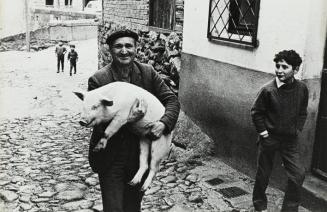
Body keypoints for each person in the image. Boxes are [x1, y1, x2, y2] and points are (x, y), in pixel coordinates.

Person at [87, 29, 180, 212]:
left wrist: (163, 124)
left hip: (138, 157)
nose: (124, 51)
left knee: (132, 207)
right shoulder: (99, 81)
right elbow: (98, 123)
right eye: (118, 46)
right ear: (110, 50)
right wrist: (130, 119)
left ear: (136, 48)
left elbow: (172, 101)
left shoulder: (147, 73)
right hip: (111, 156)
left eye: (128, 46)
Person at [251, 50, 309, 212]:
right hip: (269, 138)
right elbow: (256, 112)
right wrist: (264, 134)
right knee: (263, 175)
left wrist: (297, 129)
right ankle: (260, 206)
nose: (280, 70)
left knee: (298, 174)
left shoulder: (302, 89)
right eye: (278, 66)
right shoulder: (267, 90)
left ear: (295, 70)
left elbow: (303, 112)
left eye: (285, 67)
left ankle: (289, 209)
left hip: (290, 140)